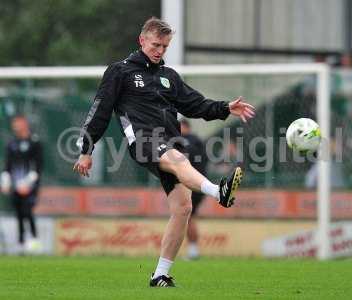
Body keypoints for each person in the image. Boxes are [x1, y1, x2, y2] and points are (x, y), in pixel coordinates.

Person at [73, 17, 255, 287]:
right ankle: (219, 192)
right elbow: (99, 110)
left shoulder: (168, 76)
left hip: (170, 142)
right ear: (142, 40)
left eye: (165, 46)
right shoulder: (120, 71)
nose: (160, 51)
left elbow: (195, 105)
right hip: (144, 141)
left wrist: (226, 107)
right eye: (156, 44)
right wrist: (86, 149)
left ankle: (160, 274)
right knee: (179, 159)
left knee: (183, 208)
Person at [0, 115, 43, 253]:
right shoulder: (11, 143)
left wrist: (26, 184)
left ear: (24, 123)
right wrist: (5, 182)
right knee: (18, 213)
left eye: (17, 123)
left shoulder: (35, 142)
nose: (15, 126)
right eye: (14, 124)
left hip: (30, 185)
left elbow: (37, 167)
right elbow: (7, 166)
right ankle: (21, 241)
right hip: (15, 185)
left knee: (27, 210)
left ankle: (35, 240)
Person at [180, 119, 207, 260]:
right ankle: (193, 250)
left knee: (188, 217)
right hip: (201, 183)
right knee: (191, 217)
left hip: (190, 184)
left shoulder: (184, 141)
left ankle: (193, 251)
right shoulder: (198, 140)